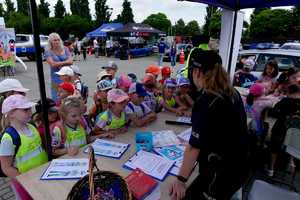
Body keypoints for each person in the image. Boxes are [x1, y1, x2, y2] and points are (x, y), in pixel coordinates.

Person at [169, 49, 249, 200]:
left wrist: (180, 180)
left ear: (197, 72)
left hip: (221, 174)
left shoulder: (207, 100)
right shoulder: (232, 92)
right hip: (240, 165)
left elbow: (193, 147)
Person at [0, 95, 48, 200]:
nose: (30, 112)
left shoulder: (32, 127)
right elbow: (6, 168)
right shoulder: (8, 138)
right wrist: (26, 180)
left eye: (30, 109)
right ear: (11, 113)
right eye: (25, 110)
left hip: (41, 175)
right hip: (24, 184)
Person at [268, 84, 300, 177]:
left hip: (281, 131)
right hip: (296, 137)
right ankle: (291, 161)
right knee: (294, 140)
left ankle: (271, 169)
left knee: (274, 147)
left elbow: (272, 113)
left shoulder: (285, 101)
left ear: (289, 92)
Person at [45, 33, 73, 101]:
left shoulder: (65, 48)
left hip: (67, 76)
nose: (57, 41)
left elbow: (71, 62)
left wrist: (59, 64)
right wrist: (65, 63)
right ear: (50, 41)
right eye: (54, 40)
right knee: (57, 97)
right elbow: (52, 64)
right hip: (56, 77)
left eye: (58, 40)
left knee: (69, 96)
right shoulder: (48, 51)